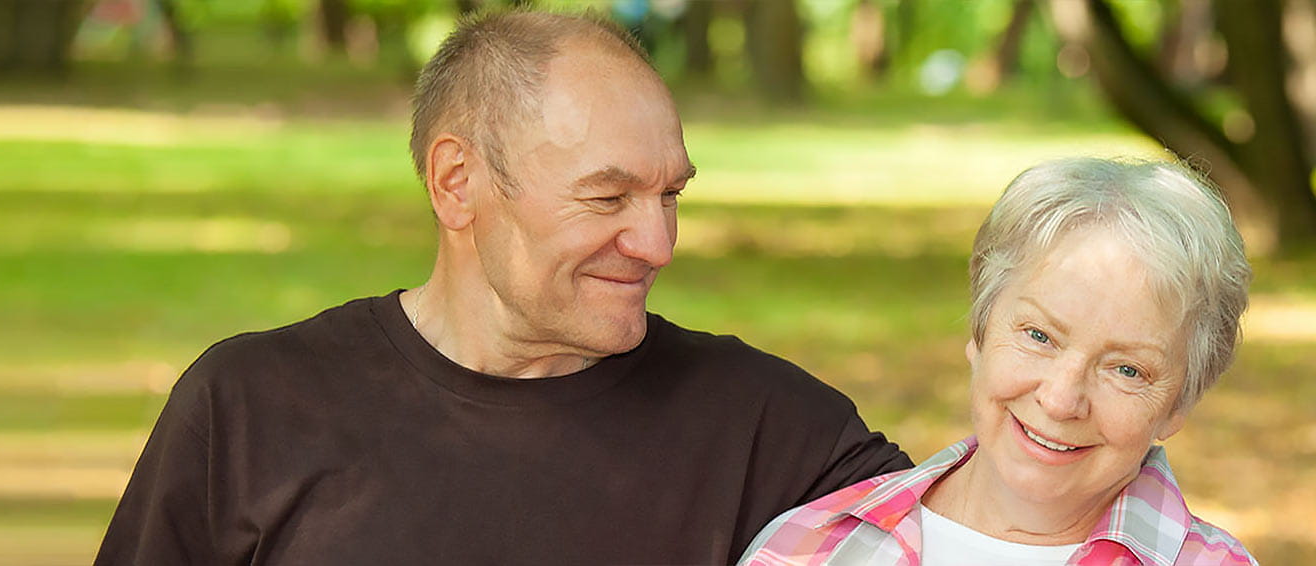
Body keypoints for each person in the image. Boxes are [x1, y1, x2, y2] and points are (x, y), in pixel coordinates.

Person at [95, 10, 910, 565]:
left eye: (671, 196)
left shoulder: (770, 428)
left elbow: (990, 527)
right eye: (607, 197)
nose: (657, 243)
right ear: (458, 183)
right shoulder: (249, 406)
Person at [740, 157, 1259, 565]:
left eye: (1127, 369)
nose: (1060, 400)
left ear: (1178, 403)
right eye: (1039, 336)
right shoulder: (808, 548)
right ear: (981, 330)